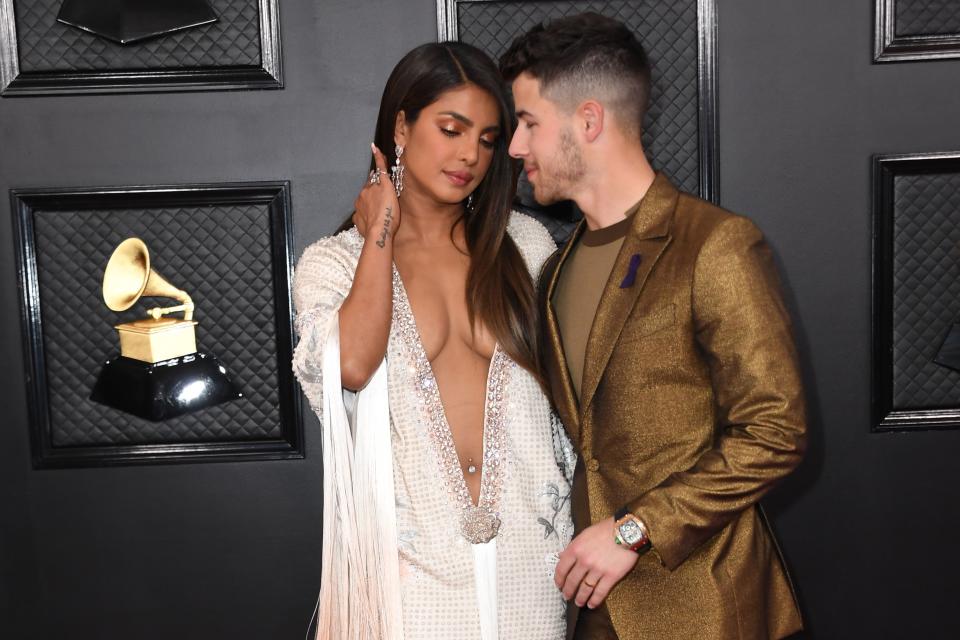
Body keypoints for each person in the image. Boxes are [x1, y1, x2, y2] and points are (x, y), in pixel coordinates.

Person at [500, 13, 807, 640]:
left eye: (528, 123)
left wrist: (632, 530)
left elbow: (776, 431)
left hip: (707, 611)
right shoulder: (554, 269)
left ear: (587, 120)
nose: (514, 148)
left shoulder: (715, 246)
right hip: (590, 613)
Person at [291, 42, 573, 640]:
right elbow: (353, 365)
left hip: (532, 561)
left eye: (489, 138)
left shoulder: (524, 247)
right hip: (409, 574)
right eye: (451, 129)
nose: (470, 154)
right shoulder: (334, 265)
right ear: (402, 125)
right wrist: (381, 233)